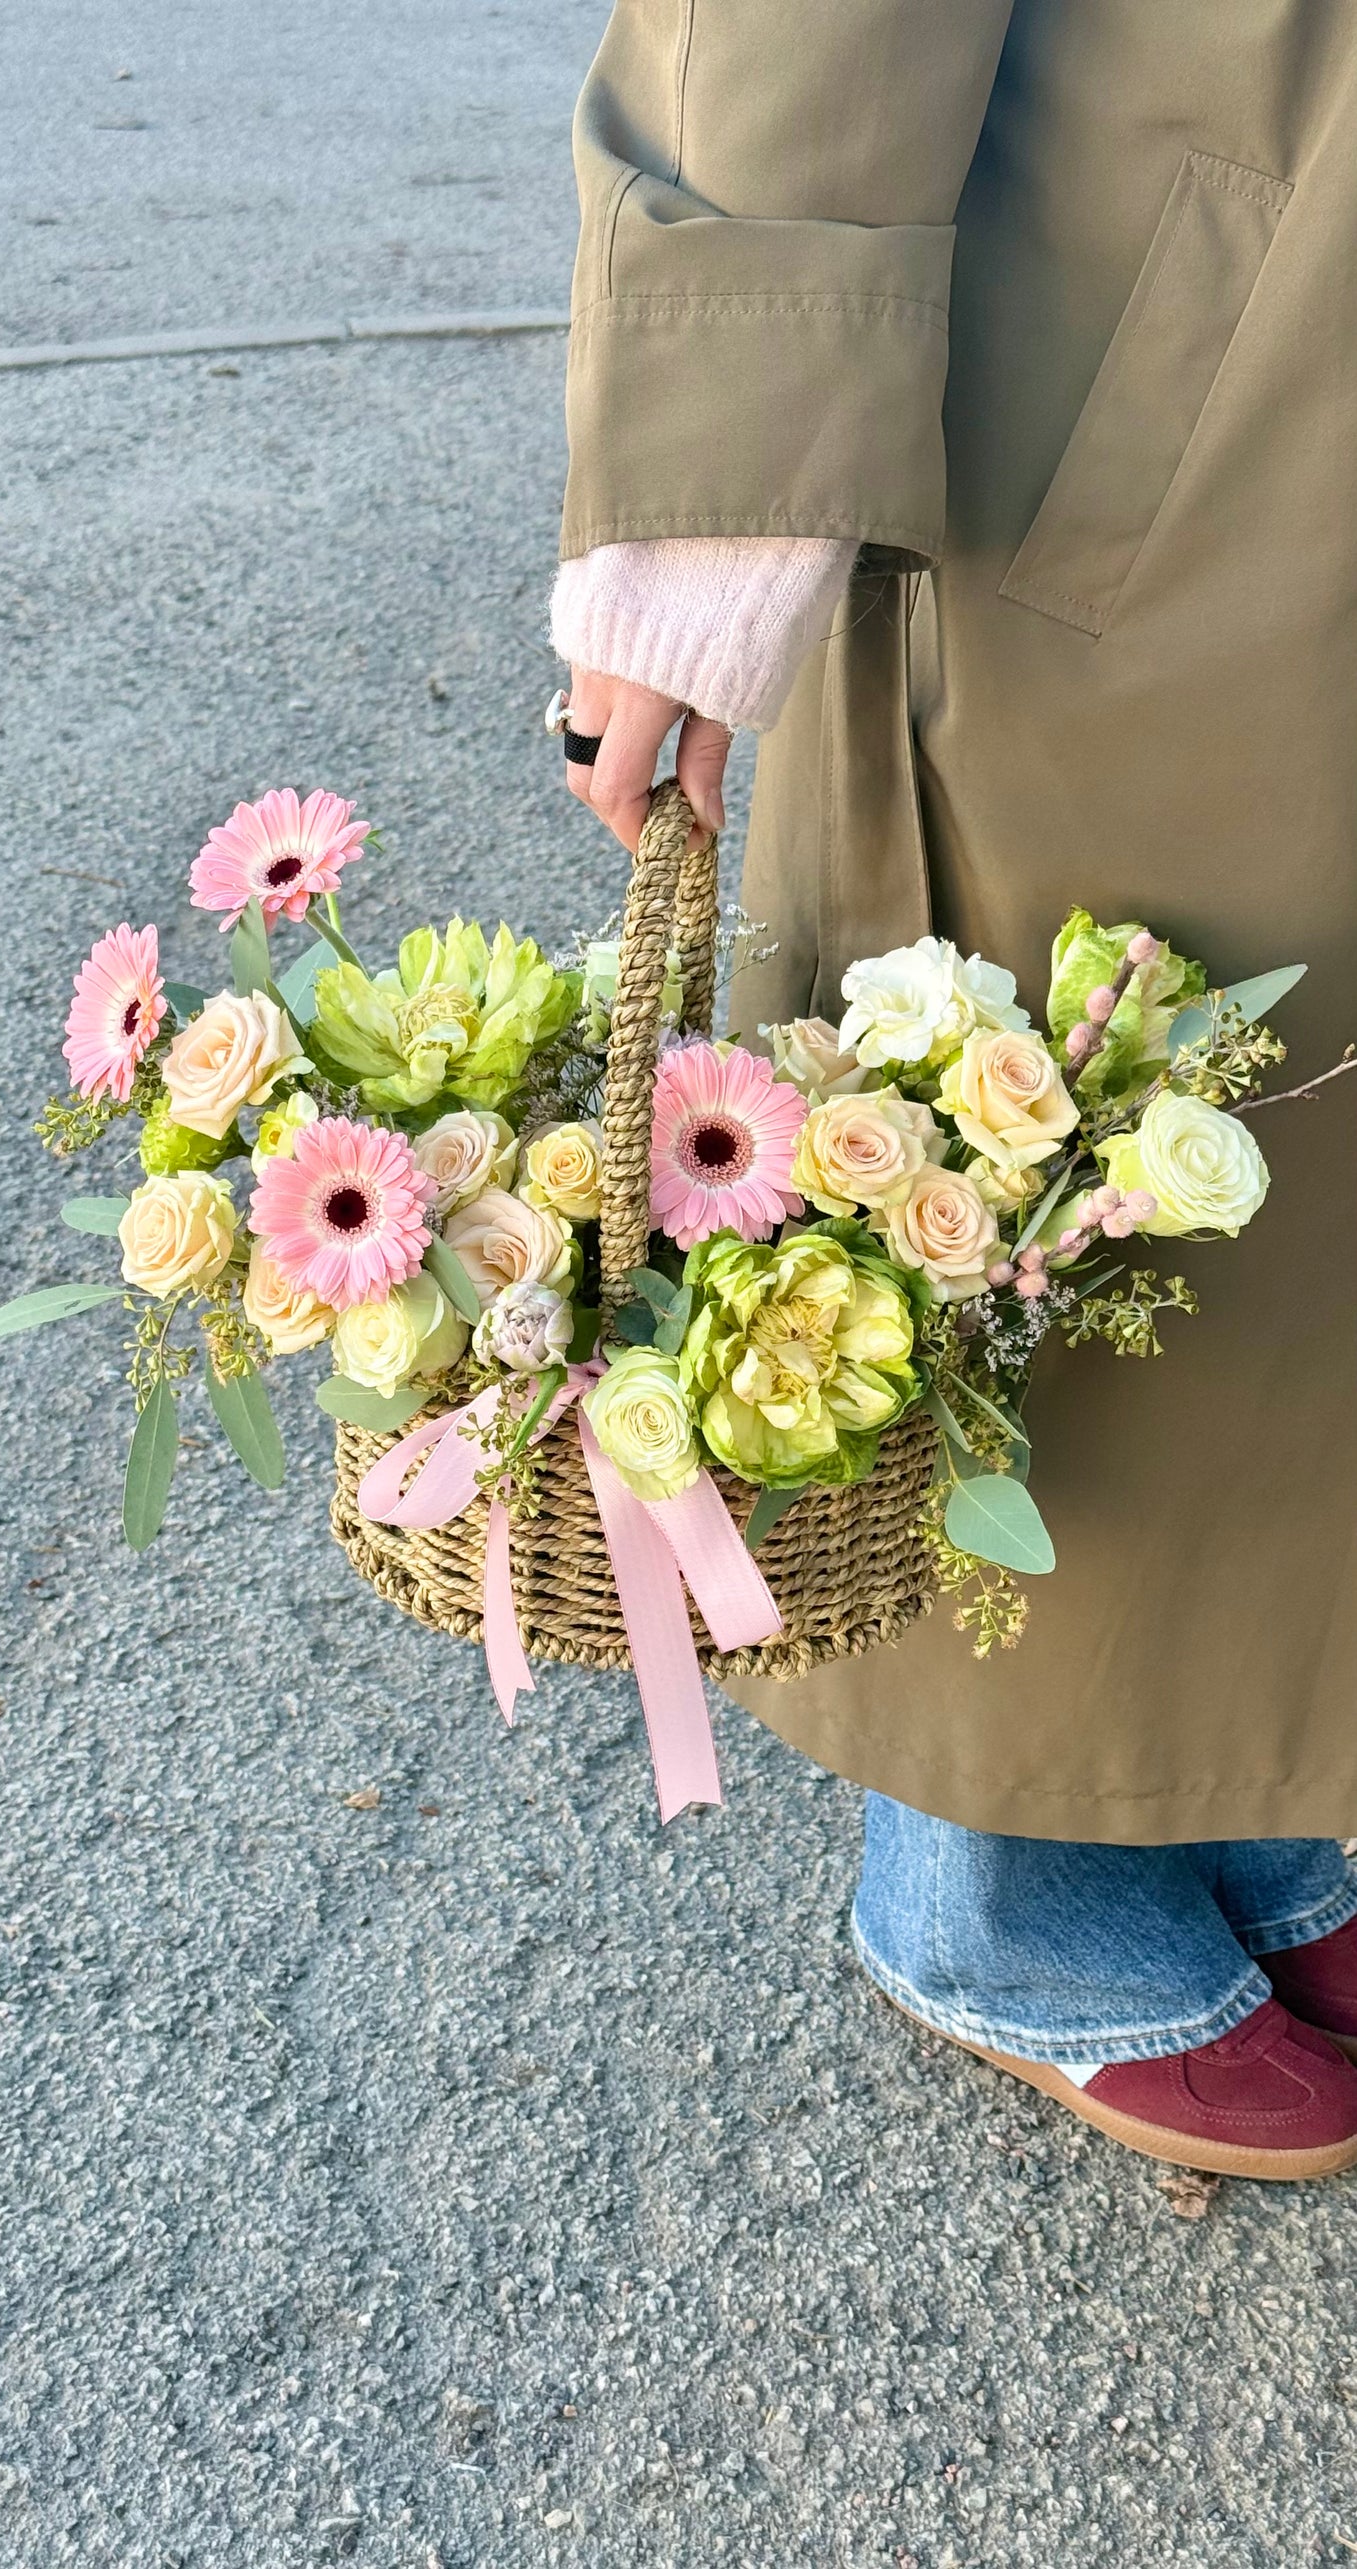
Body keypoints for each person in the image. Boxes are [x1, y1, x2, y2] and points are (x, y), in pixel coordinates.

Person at [547, 0, 1357, 2181]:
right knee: (1055, 1088)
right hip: (1151, 293)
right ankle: (997, 1872)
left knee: (1295, 1100)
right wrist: (721, 468)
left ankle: (1241, 1766)